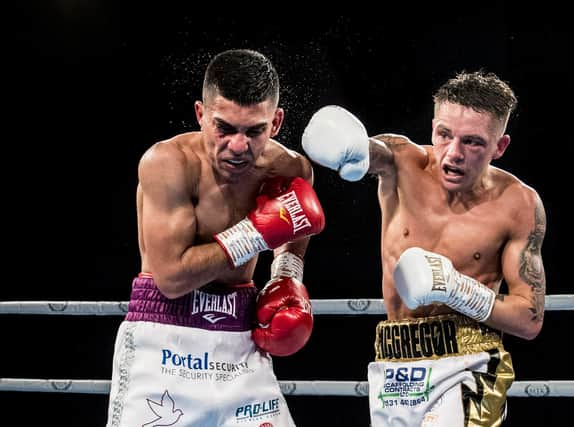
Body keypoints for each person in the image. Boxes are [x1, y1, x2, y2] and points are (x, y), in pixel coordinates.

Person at [302, 71, 546, 426]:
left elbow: (529, 319)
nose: (454, 153)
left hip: (469, 362)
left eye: (473, 142)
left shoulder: (519, 204)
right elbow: (369, 151)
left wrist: (457, 289)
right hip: (394, 361)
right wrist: (347, 146)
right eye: (444, 135)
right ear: (432, 126)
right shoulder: (402, 163)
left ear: (500, 147)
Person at [105, 49, 325, 427]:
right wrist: (257, 231)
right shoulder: (168, 163)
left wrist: (287, 276)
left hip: (239, 339)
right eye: (224, 128)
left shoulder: (291, 167)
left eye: (254, 131)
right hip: (164, 341)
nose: (238, 146)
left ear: (276, 121)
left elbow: (296, 225)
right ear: (200, 115)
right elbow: (172, 279)